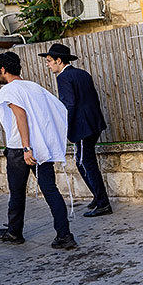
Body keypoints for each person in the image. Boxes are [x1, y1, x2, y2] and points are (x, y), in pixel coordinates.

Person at [0, 51, 77, 249]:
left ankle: (14, 232)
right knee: (50, 190)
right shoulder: (34, 87)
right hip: (41, 149)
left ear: (3, 69)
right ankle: (64, 235)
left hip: (21, 149)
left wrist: (26, 147)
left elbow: (21, 117)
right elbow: (56, 110)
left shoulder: (10, 90)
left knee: (17, 192)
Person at [41, 43, 111, 218]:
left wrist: (62, 127)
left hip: (82, 127)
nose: (48, 64)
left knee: (84, 163)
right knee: (85, 161)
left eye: (49, 61)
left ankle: (103, 203)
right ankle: (98, 197)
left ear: (59, 60)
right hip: (94, 124)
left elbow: (68, 105)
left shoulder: (63, 77)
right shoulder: (82, 74)